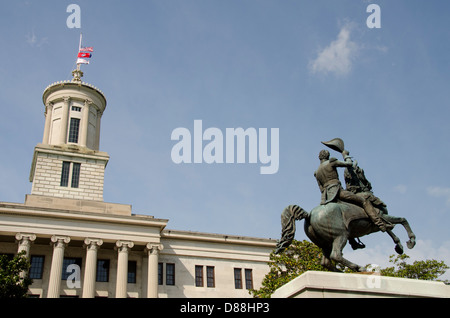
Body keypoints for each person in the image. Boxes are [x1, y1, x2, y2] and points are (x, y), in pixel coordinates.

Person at [314, 149, 389, 232]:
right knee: (364, 201)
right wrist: (346, 156)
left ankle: (352, 240)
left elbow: (321, 189)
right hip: (338, 191)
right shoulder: (331, 161)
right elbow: (349, 164)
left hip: (326, 197)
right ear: (328, 156)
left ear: (319, 157)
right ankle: (380, 224)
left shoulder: (316, 172)